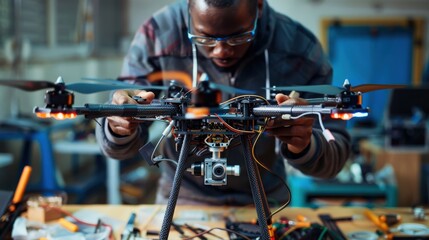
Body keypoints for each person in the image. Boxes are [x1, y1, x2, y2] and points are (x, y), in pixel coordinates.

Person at [95, 0, 351, 206]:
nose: (221, 51)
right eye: (205, 38)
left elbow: (334, 159)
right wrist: (118, 125)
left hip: (264, 202)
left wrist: (305, 144)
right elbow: (117, 147)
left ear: (259, 6)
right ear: (188, 8)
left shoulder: (299, 48)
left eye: (237, 37)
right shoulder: (158, 36)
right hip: (182, 200)